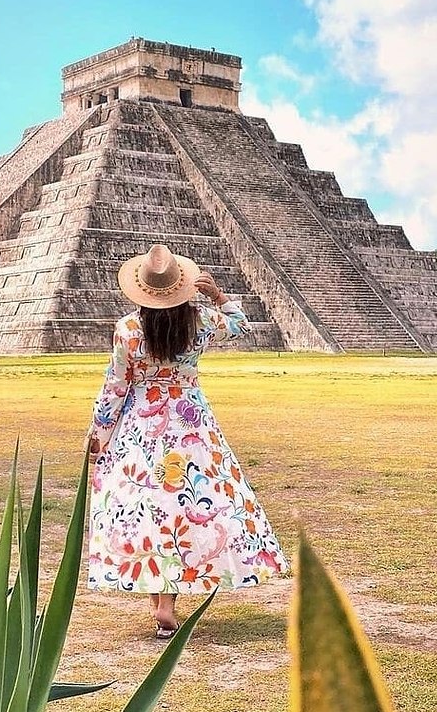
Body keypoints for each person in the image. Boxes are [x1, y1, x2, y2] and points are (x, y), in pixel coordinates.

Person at [86, 243, 288, 639]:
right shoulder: (200, 321)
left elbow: (115, 386)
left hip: (141, 428)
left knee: (149, 505)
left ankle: (159, 596)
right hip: (191, 424)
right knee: (188, 505)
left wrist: (99, 436)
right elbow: (242, 324)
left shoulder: (128, 330)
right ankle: (168, 600)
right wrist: (216, 294)